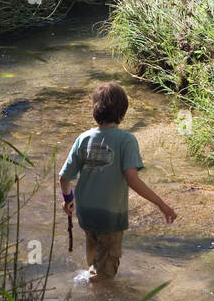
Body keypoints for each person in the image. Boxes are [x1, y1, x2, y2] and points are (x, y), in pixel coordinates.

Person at [59, 81, 177, 280]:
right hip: (110, 216)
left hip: (86, 213)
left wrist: (68, 198)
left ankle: (90, 282)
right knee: (106, 270)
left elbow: (64, 177)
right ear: (122, 111)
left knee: (94, 257)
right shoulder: (126, 140)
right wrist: (162, 204)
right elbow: (132, 180)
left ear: (94, 110)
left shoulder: (83, 138)